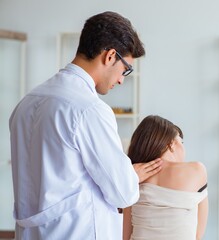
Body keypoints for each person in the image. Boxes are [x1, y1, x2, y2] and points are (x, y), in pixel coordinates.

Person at [9, 11, 163, 240]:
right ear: (110, 56)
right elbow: (123, 193)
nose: (121, 80)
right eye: (126, 70)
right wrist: (131, 175)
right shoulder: (90, 110)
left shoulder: (26, 103)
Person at [123, 115, 208, 240]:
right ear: (171, 144)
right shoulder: (197, 170)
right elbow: (197, 235)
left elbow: (125, 236)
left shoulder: (131, 175)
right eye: (181, 142)